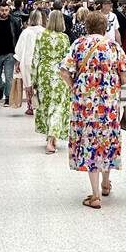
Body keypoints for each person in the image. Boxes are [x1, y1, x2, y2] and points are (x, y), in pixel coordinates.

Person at [59, 11, 126, 209]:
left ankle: (96, 194)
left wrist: (74, 85)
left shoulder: (79, 45)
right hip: (108, 106)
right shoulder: (114, 47)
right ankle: (106, 184)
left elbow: (64, 70)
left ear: (87, 27)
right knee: (106, 141)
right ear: (105, 27)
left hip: (85, 106)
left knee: (90, 143)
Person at [33, 11, 72, 154]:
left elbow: (35, 58)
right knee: (58, 106)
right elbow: (68, 60)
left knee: (46, 105)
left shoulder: (41, 36)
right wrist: (70, 79)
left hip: (44, 74)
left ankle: (50, 137)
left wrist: (33, 79)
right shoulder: (65, 38)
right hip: (60, 74)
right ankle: (52, 138)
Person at [0, 0, 21, 104]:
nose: (4, 12)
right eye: (2, 10)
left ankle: (7, 97)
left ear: (9, 10)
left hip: (10, 53)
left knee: (9, 76)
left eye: (6, 10)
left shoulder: (14, 21)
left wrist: (18, 54)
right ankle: (2, 87)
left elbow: (18, 37)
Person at [14, 9, 46, 116]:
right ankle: (40, 106)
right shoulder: (44, 31)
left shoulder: (25, 32)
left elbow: (19, 48)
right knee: (40, 84)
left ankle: (30, 107)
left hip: (26, 61)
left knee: (28, 85)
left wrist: (17, 62)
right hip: (41, 62)